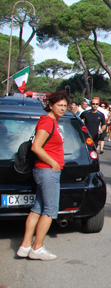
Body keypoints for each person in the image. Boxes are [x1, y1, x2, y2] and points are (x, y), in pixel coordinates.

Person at [17, 91, 71, 261]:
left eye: (65, 106)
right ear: (50, 105)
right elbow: (36, 147)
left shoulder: (51, 121)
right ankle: (37, 247)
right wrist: (54, 163)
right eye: (59, 105)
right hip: (48, 171)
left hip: (45, 171)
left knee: (37, 209)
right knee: (49, 211)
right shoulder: (47, 122)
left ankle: (25, 246)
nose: (62, 109)